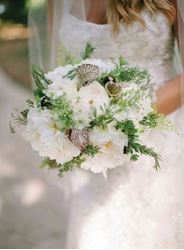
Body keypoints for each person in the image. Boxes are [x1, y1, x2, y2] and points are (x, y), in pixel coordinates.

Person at [29, 0, 184, 248]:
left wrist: (117, 121)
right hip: (92, 157)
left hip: (157, 149)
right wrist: (62, 119)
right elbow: (63, 70)